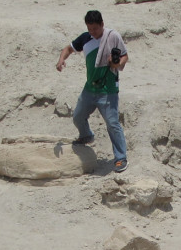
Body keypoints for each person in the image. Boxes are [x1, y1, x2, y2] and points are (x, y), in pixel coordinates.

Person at [55, 10, 130, 173]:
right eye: (89, 29)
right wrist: (61, 60)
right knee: (78, 116)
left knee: (112, 123)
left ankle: (120, 157)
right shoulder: (85, 38)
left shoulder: (112, 36)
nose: (92, 32)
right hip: (90, 88)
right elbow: (68, 48)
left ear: (102, 24)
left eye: (95, 28)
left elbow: (125, 56)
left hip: (108, 89)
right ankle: (86, 135)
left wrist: (116, 64)